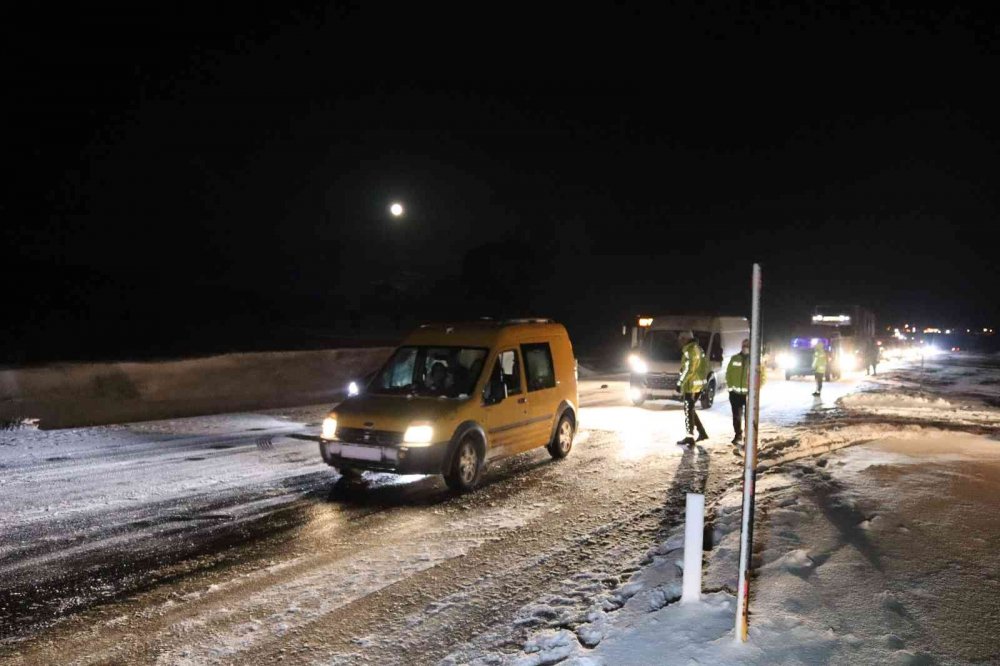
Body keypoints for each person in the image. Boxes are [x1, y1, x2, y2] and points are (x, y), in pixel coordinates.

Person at [676, 331, 709, 446]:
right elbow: (704, 366)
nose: (679, 342)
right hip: (697, 385)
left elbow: (688, 369)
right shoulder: (698, 349)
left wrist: (680, 382)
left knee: (688, 410)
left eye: (681, 340)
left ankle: (689, 437)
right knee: (691, 410)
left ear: (685, 339)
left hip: (691, 386)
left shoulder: (690, 351)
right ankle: (702, 432)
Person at [726, 338, 751, 446]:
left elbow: (761, 376)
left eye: (748, 346)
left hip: (749, 394)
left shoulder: (754, 360)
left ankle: (748, 437)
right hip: (735, 394)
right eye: (744, 346)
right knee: (736, 416)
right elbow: (728, 374)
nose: (745, 348)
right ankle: (738, 435)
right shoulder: (734, 358)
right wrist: (731, 389)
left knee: (749, 417)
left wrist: (755, 390)